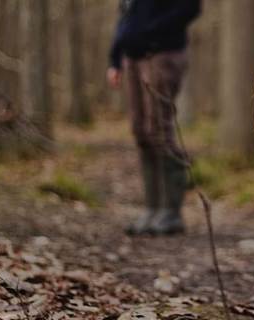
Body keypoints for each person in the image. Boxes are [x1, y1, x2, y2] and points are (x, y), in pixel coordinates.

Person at [107, 0, 201, 235]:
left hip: (161, 54)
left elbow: (189, 7)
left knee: (160, 130)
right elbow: (126, 16)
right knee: (141, 131)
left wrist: (152, 32)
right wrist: (115, 57)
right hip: (133, 57)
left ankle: (171, 212)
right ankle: (152, 208)